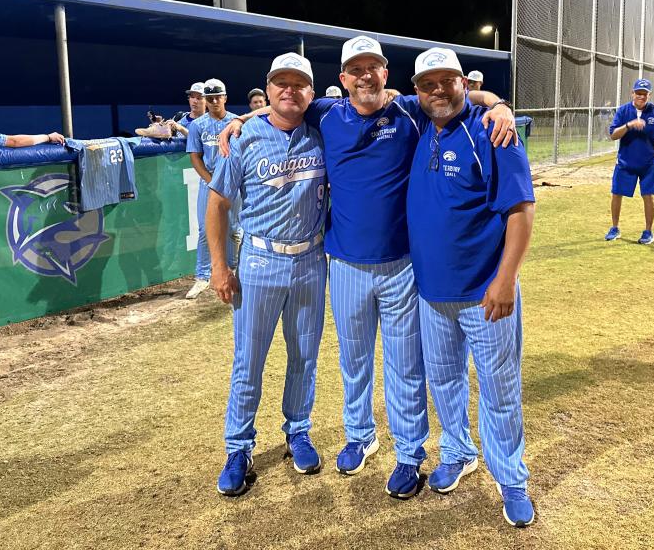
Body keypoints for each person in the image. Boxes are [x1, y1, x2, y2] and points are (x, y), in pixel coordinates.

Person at [218, 35, 518, 500]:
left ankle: (409, 452)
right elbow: (283, 105)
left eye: (373, 67)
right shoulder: (326, 114)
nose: (364, 76)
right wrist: (237, 118)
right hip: (343, 266)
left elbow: (454, 96)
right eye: (355, 69)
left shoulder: (409, 113)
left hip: (401, 266)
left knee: (404, 365)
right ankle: (360, 436)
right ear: (342, 79)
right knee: (353, 362)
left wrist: (500, 104)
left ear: (386, 74)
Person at [406, 47, 537, 528]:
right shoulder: (419, 124)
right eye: (427, 83)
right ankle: (459, 452)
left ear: (464, 82)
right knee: (444, 381)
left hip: (486, 293)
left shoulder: (490, 132)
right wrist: (239, 122)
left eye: (447, 81)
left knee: (499, 389)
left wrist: (506, 279)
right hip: (432, 294)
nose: (437, 90)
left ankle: (511, 478)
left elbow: (522, 212)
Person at [207, 53, 328, 496]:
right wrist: (220, 266)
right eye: (281, 83)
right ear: (269, 87)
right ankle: (238, 447)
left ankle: (297, 431)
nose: (289, 90)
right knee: (248, 362)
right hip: (259, 260)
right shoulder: (245, 137)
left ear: (311, 93)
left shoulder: (321, 134)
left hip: (311, 261)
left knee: (305, 357)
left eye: (299, 84)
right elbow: (218, 204)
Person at [185, 79, 240, 300]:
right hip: (209, 183)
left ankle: (234, 268)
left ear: (225, 97)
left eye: (218, 96)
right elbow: (195, 157)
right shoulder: (198, 125)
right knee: (204, 230)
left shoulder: (236, 122)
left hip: (233, 183)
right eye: (210, 98)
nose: (214, 101)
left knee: (235, 230)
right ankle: (202, 276)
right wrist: (211, 182)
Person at [605, 78, 654, 245]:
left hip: (648, 164)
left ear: (649, 95)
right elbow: (613, 135)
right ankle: (615, 228)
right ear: (632, 93)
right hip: (625, 162)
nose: (641, 97)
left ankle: (648, 231)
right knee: (616, 194)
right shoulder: (622, 111)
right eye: (638, 93)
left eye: (644, 94)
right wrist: (629, 125)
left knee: (648, 195)